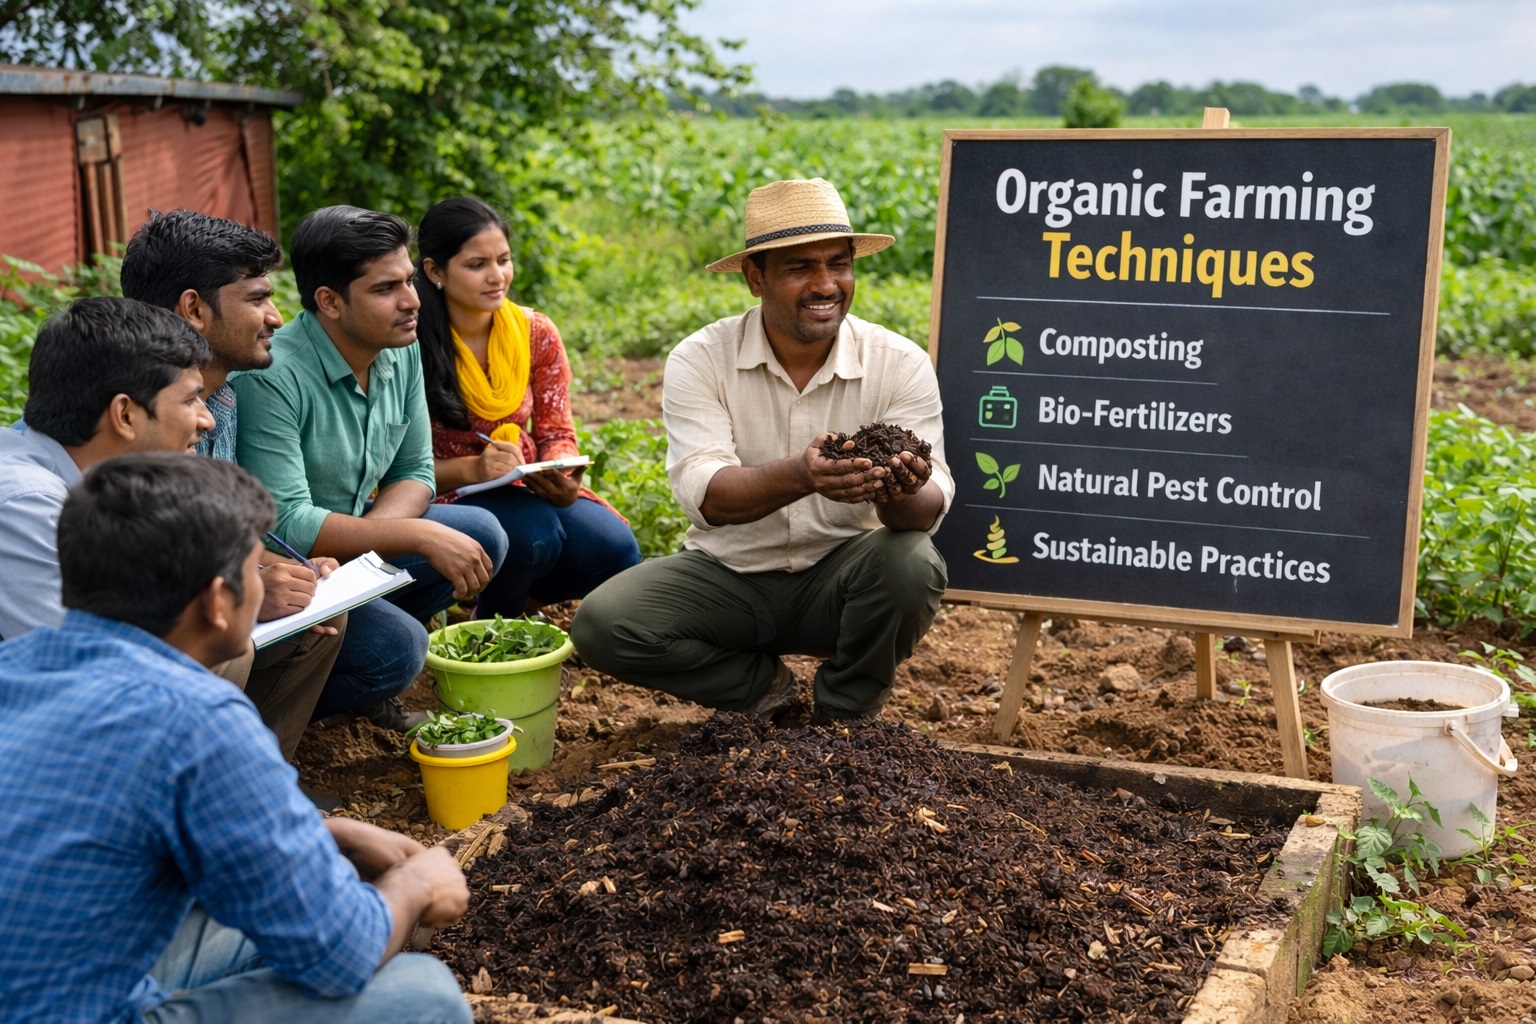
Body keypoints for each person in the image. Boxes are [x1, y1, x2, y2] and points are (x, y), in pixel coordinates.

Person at [0, 453, 471, 1023]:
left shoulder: (17, 663)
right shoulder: (199, 717)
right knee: (421, 993)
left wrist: (329, 834)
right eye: (255, 569)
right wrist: (418, 883)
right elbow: (343, 952)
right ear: (217, 604)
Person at [571, 178, 952, 723]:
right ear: (755, 277)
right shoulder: (701, 359)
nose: (826, 284)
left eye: (838, 264)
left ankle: (844, 715)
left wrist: (897, 487)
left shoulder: (898, 361)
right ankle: (762, 692)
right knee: (604, 624)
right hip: (730, 576)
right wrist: (803, 474)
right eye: (800, 267)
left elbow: (926, 509)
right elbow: (708, 494)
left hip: (839, 581)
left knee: (910, 562)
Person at [0, 297, 338, 761]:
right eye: (190, 399)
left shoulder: (101, 474)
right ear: (124, 415)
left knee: (304, 616)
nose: (207, 419)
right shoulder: (25, 506)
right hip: (36, 739)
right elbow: (88, 670)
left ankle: (250, 780)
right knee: (217, 642)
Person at [121, 209, 416, 740]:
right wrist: (253, 583)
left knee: (327, 620)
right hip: (142, 636)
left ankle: (267, 771)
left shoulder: (225, 398)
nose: (277, 317)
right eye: (257, 298)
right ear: (194, 309)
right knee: (229, 643)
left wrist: (285, 567)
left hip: (198, 599)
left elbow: (226, 533)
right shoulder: (137, 417)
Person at [231, 206, 509, 729]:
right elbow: (289, 523)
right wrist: (415, 536)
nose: (411, 301)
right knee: (398, 650)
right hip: (291, 569)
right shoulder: (272, 376)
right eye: (386, 289)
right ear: (329, 302)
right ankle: (304, 703)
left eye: (408, 281)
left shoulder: (398, 347)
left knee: (481, 534)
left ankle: (364, 641)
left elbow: (416, 470)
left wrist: (381, 549)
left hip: (351, 544)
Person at [413, 196, 641, 616]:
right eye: (476, 264)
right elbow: (394, 465)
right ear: (434, 271)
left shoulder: (535, 332)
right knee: (534, 536)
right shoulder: (411, 344)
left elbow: (556, 431)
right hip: (443, 495)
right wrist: (473, 470)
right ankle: (492, 624)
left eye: (503, 259)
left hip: (523, 486)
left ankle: (510, 602)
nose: (496, 276)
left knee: (616, 551)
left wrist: (561, 469)